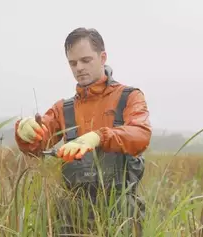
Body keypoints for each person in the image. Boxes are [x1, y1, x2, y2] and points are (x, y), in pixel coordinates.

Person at [14, 27, 152, 236]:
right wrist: (25, 132)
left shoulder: (130, 97)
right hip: (72, 213)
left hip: (122, 212)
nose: (79, 68)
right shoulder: (63, 109)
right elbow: (36, 144)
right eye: (73, 63)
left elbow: (141, 134)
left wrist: (98, 136)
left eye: (86, 60)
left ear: (102, 57)